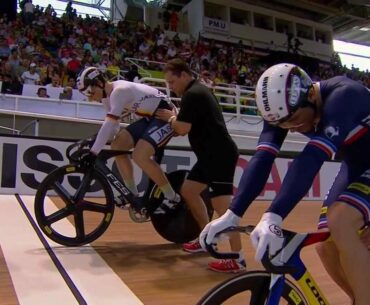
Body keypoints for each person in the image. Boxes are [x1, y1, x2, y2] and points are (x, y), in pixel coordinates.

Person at [200, 63, 370, 304]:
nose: (293, 129)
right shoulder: (284, 111)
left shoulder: (345, 96)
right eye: (285, 125)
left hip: (362, 162)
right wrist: (232, 213)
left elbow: (312, 158)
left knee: (340, 219)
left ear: (311, 95)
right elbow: (263, 158)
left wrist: (274, 216)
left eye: (296, 122)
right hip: (358, 163)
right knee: (327, 243)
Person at [155, 58, 245, 273]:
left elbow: (183, 128)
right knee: (189, 190)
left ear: (184, 75)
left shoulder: (193, 94)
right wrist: (176, 118)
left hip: (219, 157)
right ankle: (207, 238)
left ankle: (238, 259)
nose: (171, 87)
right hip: (209, 157)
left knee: (225, 210)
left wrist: (170, 119)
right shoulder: (196, 92)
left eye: (172, 82)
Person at [76, 67, 180, 219]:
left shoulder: (120, 91)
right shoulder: (107, 97)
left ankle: (173, 198)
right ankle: (131, 194)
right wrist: (93, 140)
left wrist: (93, 152)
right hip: (149, 118)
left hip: (165, 116)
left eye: (90, 92)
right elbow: (113, 127)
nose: (90, 98)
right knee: (118, 145)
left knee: (140, 156)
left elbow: (109, 124)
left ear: (98, 83)